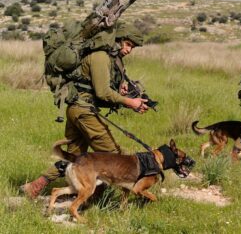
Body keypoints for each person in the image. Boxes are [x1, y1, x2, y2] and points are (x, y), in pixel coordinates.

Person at [21, 24, 149, 199]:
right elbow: (103, 92)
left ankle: (36, 186)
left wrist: (125, 100)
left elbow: (98, 92)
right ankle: (96, 198)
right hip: (83, 111)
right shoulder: (100, 57)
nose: (129, 50)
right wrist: (130, 102)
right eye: (127, 44)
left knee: (73, 158)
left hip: (78, 109)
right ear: (117, 40)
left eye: (132, 47)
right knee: (113, 156)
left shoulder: (107, 58)